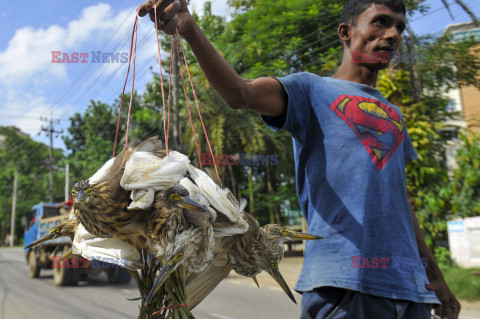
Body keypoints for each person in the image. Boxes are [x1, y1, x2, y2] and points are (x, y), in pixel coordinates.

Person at [137, 0, 461, 318]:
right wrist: (189, 28)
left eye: (400, 27)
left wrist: (434, 275)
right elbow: (241, 94)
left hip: (410, 291)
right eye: (381, 21)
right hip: (344, 286)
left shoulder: (394, 115)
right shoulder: (311, 89)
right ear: (346, 32)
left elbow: (400, 202)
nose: (393, 34)